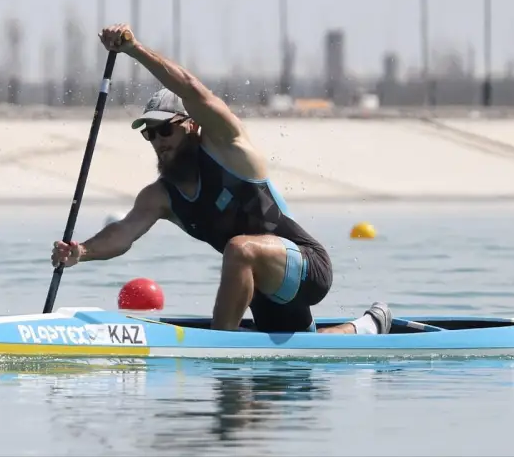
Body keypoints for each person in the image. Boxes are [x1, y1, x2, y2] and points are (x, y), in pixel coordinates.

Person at [51, 23, 392, 335]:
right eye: (150, 135)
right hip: (257, 285)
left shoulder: (228, 148)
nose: (159, 141)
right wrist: (81, 251)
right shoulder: (160, 196)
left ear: (193, 125)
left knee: (239, 248)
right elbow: (123, 233)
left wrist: (133, 49)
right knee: (298, 344)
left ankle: (219, 343)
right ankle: (368, 327)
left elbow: (191, 89)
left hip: (306, 267)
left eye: (166, 129)